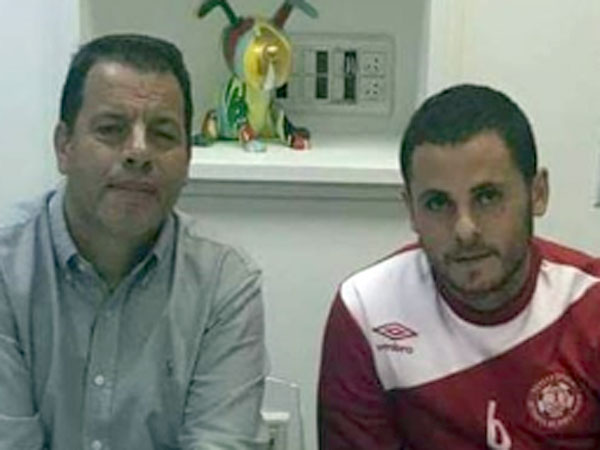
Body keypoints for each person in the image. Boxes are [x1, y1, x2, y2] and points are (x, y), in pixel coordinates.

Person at [0, 34, 268, 449]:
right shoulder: (7, 269)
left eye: (163, 134)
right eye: (111, 130)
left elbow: (220, 441)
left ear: (188, 159)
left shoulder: (224, 282)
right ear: (64, 147)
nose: (139, 152)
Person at [318, 84, 600, 449]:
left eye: (487, 197)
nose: (465, 229)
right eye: (438, 204)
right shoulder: (366, 311)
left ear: (538, 193)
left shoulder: (591, 304)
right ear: (411, 210)